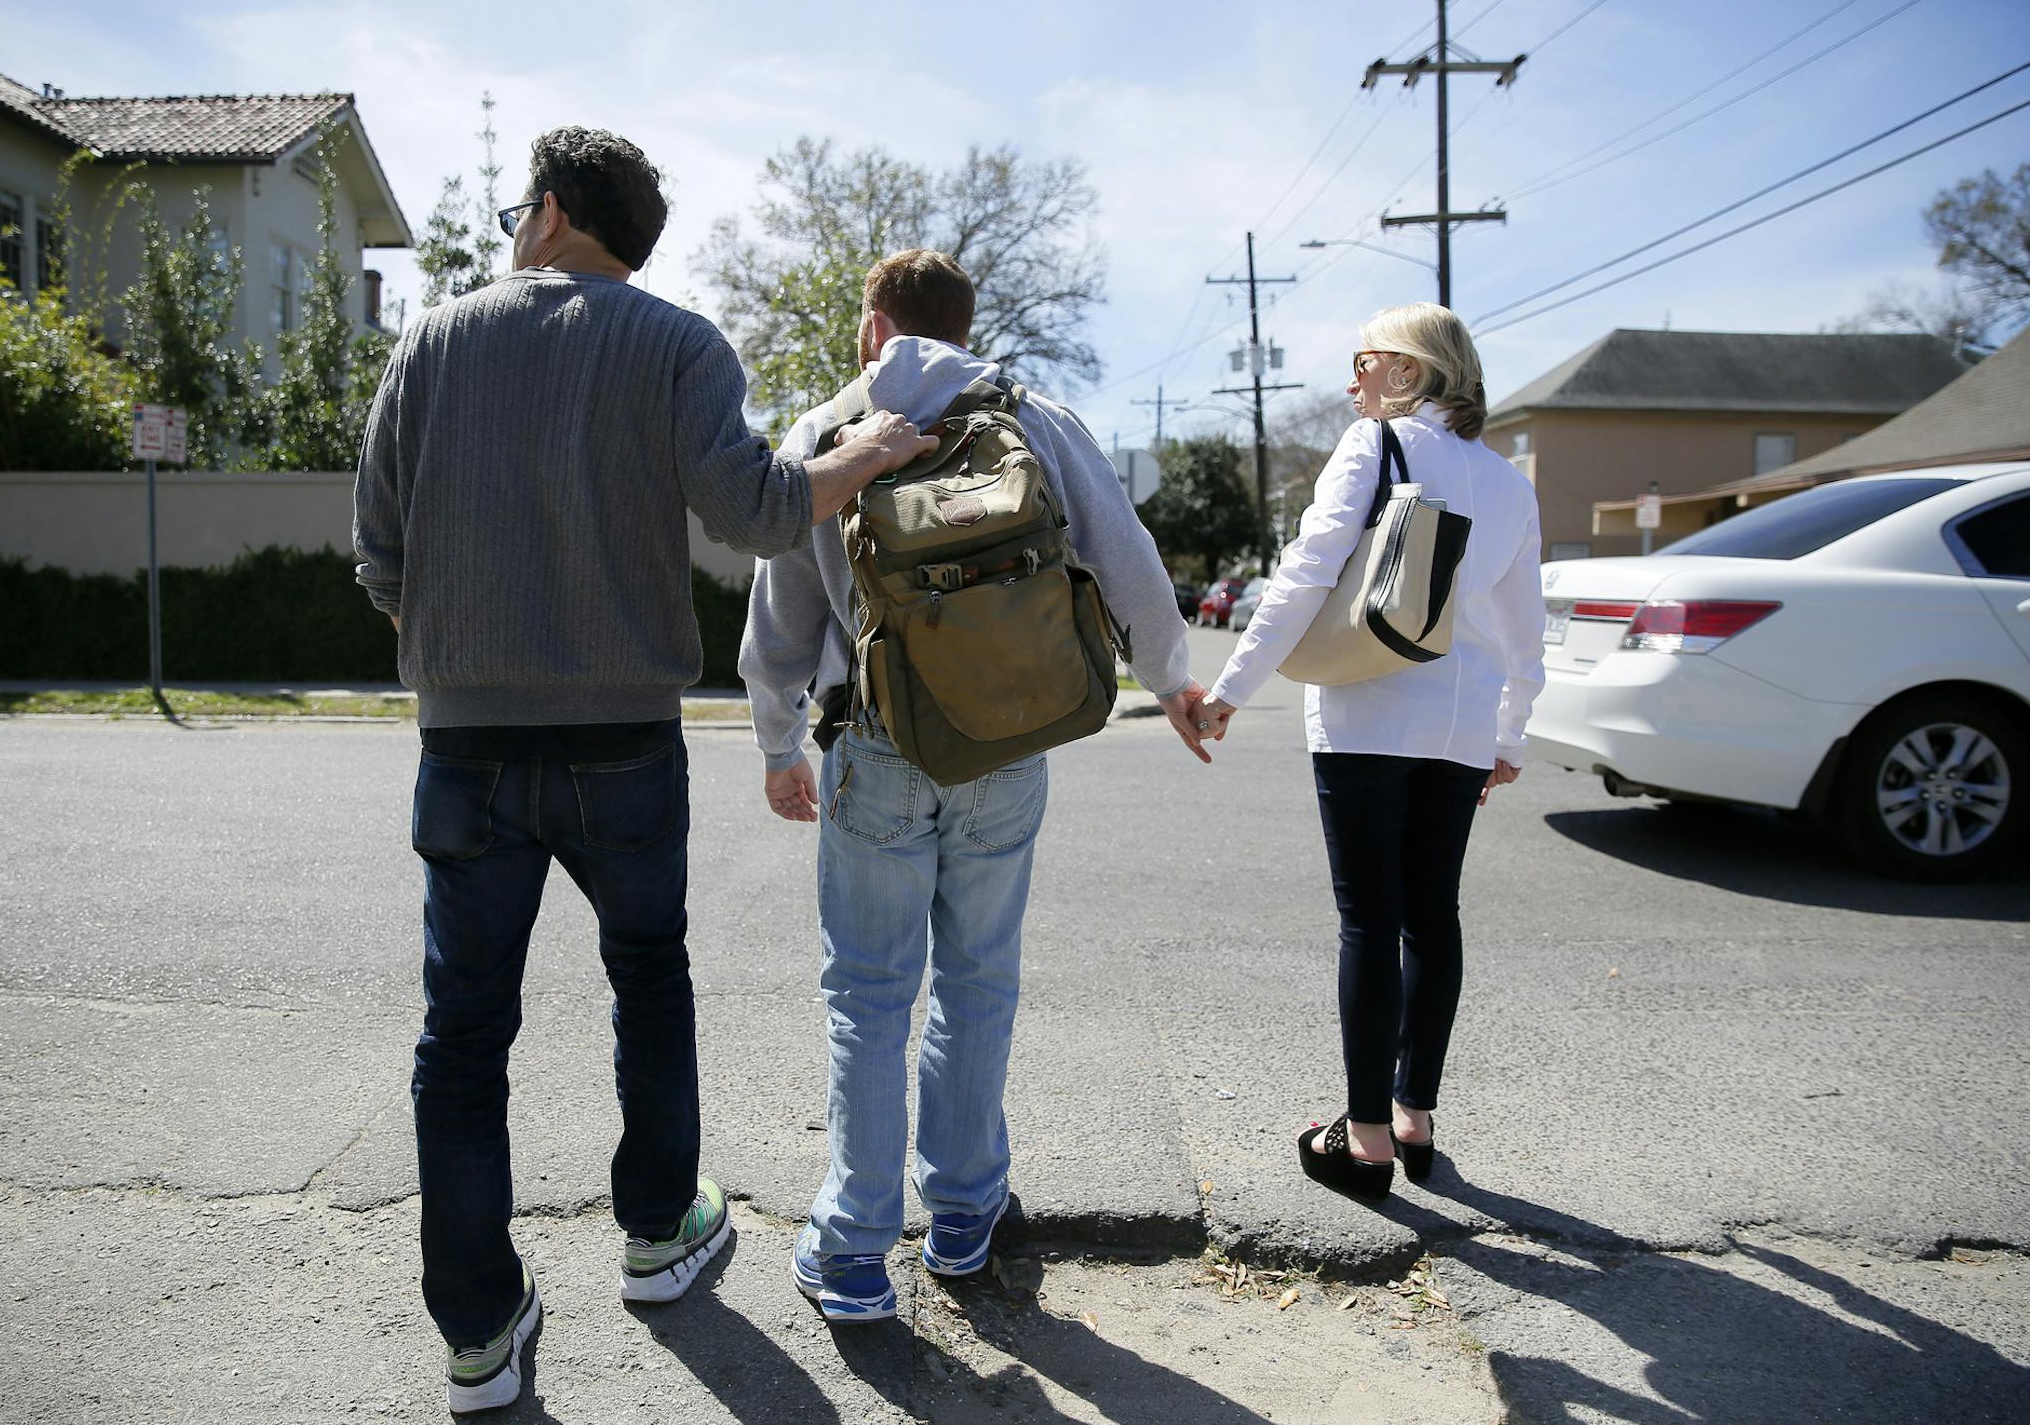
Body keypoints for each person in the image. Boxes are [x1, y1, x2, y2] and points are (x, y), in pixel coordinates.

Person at [352, 126, 937, 1413]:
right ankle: (663, 1233)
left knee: (461, 1037)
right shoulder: (677, 344)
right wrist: (868, 453)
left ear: (550, 211)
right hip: (624, 739)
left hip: (465, 744)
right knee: (648, 976)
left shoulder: (432, 340)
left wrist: (451, 646)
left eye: (521, 206)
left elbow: (379, 550)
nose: (517, 222)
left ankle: (478, 1333)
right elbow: (764, 511)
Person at [739, 249, 1215, 1322]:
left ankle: (857, 1246)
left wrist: (778, 746)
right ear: (966, 324)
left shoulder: (826, 436)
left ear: (873, 327)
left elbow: (781, 621)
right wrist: (1174, 680)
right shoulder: (1030, 415)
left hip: (876, 746)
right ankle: (962, 1216)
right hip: (1008, 741)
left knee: (868, 995)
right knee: (978, 979)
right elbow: (1126, 556)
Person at [1195, 302, 1545, 1201]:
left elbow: (1308, 571)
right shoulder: (1509, 484)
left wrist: (1230, 689)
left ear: (1410, 372)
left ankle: (1365, 1139)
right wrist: (1509, 732)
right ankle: (1415, 1115)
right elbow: (1523, 629)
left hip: (1368, 714)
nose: (1352, 381)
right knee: (1434, 916)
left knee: (1369, 920)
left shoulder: (1375, 447)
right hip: (1461, 727)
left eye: (1364, 361)